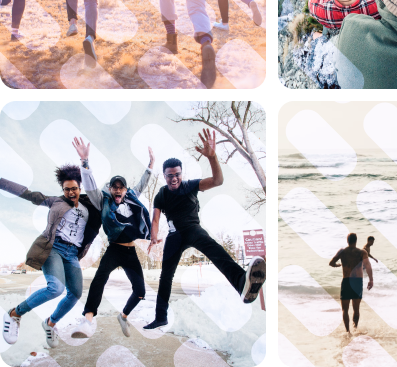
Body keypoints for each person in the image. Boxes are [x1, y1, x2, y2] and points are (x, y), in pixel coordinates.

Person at [143, 128, 266, 329]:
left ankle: (242, 283)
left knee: (213, 248)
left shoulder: (191, 185)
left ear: (181, 173)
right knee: (166, 275)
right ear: (164, 176)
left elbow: (218, 181)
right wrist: (154, 236)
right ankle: (160, 316)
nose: (173, 179)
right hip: (174, 236)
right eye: (169, 176)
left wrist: (212, 157)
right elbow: (155, 219)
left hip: (193, 229)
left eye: (176, 174)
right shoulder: (161, 194)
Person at [0, 164, 102, 347]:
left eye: (74, 189)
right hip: (53, 248)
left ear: (80, 187)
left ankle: (50, 323)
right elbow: (27, 193)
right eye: (67, 189)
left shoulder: (91, 205)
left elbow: (105, 199)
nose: (71, 192)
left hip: (72, 254)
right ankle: (14, 314)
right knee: (55, 288)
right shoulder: (55, 201)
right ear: (62, 189)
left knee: (76, 293)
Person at [68, 137, 155, 339]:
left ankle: (123, 316)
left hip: (130, 250)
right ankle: (87, 319)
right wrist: (85, 163)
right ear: (110, 189)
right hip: (114, 249)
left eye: (121, 187)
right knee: (99, 279)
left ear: (125, 190)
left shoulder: (131, 197)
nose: (117, 190)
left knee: (140, 291)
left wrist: (150, 165)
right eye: (114, 187)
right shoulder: (103, 200)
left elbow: (142, 184)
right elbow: (90, 187)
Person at [329, 233, 373, 334]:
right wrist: (371, 280)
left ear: (347, 240)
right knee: (356, 308)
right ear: (356, 240)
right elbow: (368, 265)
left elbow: (331, 263)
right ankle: (355, 328)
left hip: (346, 281)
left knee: (345, 309)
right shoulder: (362, 252)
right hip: (357, 281)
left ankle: (348, 331)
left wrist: (337, 265)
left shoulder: (342, 251)